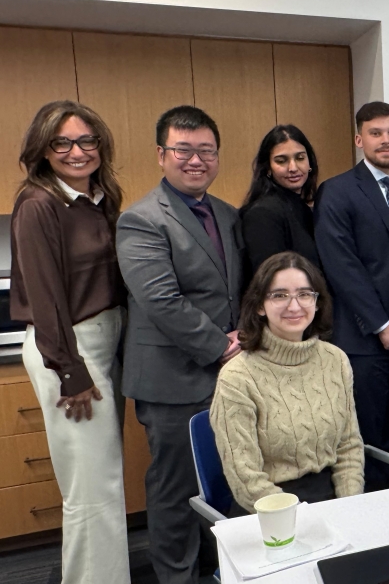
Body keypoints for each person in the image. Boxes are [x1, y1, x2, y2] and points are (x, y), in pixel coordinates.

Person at [117, 106, 244, 584]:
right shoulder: (142, 220)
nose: (196, 160)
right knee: (175, 491)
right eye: (183, 150)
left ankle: (219, 571)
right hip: (173, 380)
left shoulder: (227, 214)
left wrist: (246, 334)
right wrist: (222, 346)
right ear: (161, 155)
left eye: (206, 151)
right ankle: (176, 578)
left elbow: (236, 291)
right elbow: (161, 302)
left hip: (226, 374)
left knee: (222, 482)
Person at [11, 101, 130, 583]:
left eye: (87, 141)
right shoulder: (38, 203)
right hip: (68, 351)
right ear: (43, 149)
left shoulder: (101, 198)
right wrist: (69, 371)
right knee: (91, 491)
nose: (77, 152)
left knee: (104, 483)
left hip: (104, 343)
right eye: (62, 142)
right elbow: (46, 298)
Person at [314, 101, 389, 491]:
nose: (385, 140)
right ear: (359, 139)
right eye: (375, 133)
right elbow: (341, 268)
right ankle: (365, 531)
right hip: (362, 344)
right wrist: (383, 327)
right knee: (362, 447)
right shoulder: (337, 191)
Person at [210, 252, 364, 514]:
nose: (294, 306)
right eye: (279, 295)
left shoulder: (335, 360)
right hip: (268, 509)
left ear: (317, 303)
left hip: (334, 500)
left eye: (305, 294)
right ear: (260, 305)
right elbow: (245, 479)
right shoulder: (237, 377)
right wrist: (302, 518)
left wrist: (348, 509)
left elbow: (349, 446)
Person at [239, 124, 321, 277]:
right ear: (268, 168)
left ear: (310, 162)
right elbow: (270, 280)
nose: (293, 167)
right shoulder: (263, 213)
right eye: (281, 161)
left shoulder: (305, 208)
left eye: (300, 158)